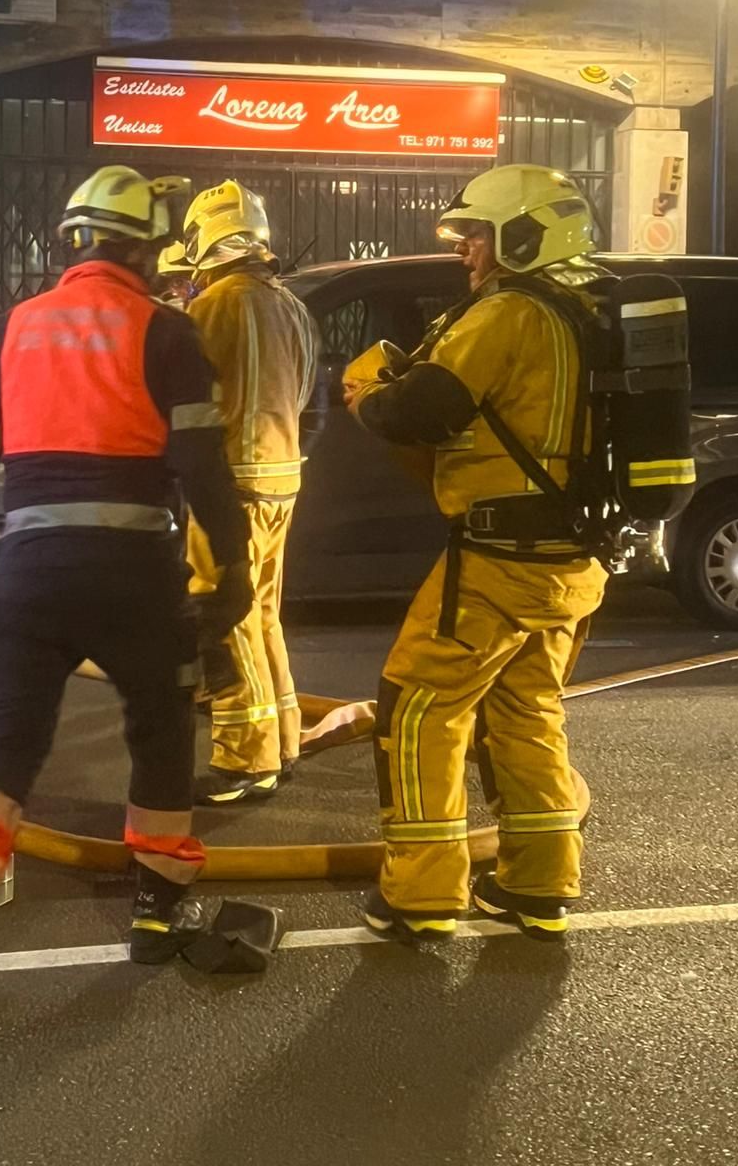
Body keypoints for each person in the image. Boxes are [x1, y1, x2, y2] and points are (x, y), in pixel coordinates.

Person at [0, 166, 253, 1005]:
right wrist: (235, 565)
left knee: (10, 737)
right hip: (136, 573)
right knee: (161, 729)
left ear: (71, 243)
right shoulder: (168, 333)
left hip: (29, 570)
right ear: (146, 250)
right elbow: (202, 466)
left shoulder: (9, 329)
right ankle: (157, 913)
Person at [344, 164, 609, 943]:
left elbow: (422, 410)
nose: (465, 249)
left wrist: (369, 393)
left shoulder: (509, 313)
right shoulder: (588, 314)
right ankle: (539, 883)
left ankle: (422, 895)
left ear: (524, 238)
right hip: (571, 560)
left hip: (500, 560)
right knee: (526, 711)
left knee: (418, 707)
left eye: (478, 235)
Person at [180, 180, 321, 805]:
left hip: (232, 482)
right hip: (282, 475)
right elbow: (306, 392)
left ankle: (246, 759)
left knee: (224, 614)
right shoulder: (290, 305)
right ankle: (284, 739)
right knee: (261, 611)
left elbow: (183, 400)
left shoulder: (214, 305)